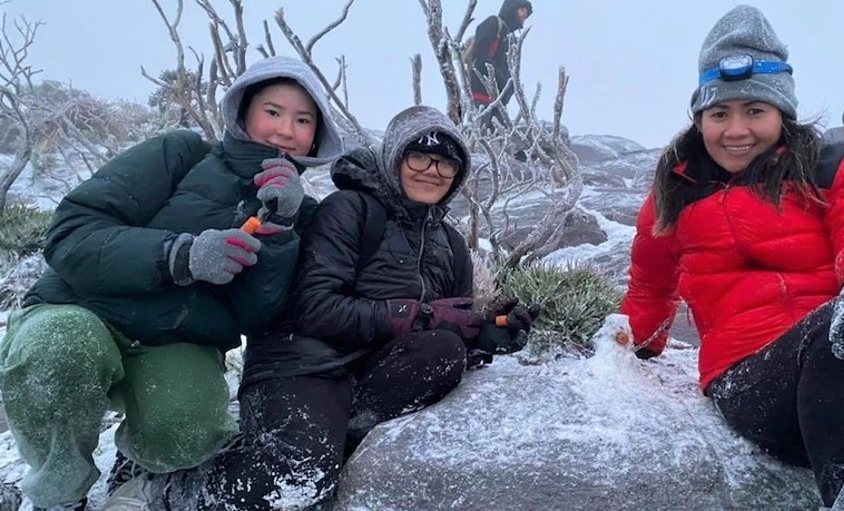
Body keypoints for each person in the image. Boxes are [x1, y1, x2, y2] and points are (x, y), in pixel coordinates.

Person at [106, 105, 539, 509]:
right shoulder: (349, 210)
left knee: (444, 350)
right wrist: (419, 314)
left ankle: (332, 437)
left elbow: (449, 323)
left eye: (447, 163)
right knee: (302, 477)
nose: (433, 170)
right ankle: (161, 489)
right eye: (419, 157)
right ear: (393, 157)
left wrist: (488, 333)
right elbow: (316, 307)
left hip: (367, 370)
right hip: (301, 363)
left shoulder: (450, 245)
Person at [621, 5, 844, 510]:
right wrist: (634, 350)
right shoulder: (675, 193)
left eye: (754, 111)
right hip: (754, 385)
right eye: (719, 114)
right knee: (836, 329)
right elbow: (650, 284)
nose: (736, 130)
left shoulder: (834, 164)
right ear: (700, 120)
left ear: (782, 112)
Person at [0, 55, 344, 510]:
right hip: (79, 309)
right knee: (62, 348)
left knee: (189, 430)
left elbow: (255, 315)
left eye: (303, 120)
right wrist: (178, 255)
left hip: (175, 340)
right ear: (243, 113)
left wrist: (281, 226)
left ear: (315, 137)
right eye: (273, 112)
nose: (285, 130)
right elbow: (71, 231)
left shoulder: (299, 212)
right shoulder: (181, 154)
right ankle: (59, 493)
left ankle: (137, 469)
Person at [469, 0, 533, 131]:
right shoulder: (493, 23)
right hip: (481, 93)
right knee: (480, 137)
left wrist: (507, 90)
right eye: (522, 10)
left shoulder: (511, 39)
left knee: (497, 140)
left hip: (498, 101)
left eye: (526, 13)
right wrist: (499, 77)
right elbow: (481, 53)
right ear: (512, 8)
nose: (524, 15)